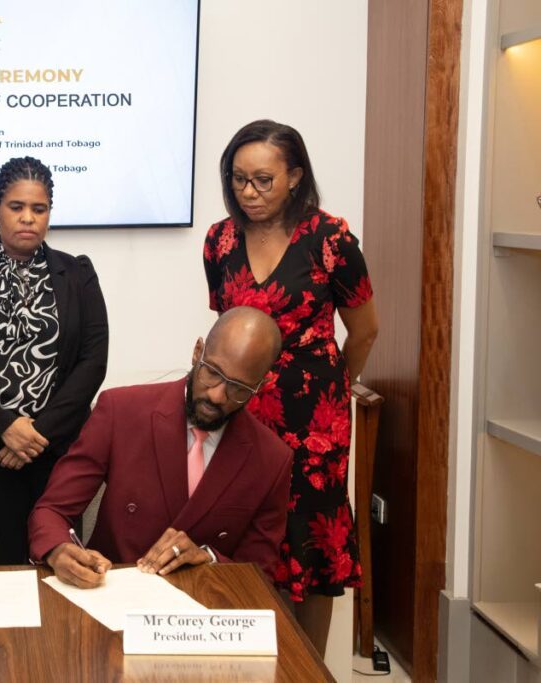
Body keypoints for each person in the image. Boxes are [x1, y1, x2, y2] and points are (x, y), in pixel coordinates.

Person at [203, 119, 378, 656]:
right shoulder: (220, 239)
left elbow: (366, 329)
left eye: (263, 180)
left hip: (316, 419)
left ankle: (311, 665)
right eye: (238, 180)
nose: (248, 193)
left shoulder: (331, 239)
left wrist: (332, 390)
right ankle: (247, 655)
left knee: (312, 541)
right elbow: (228, 327)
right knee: (247, 529)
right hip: (243, 407)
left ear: (296, 177)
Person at [28, 307, 293, 589]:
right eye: (212, 372)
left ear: (261, 385)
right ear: (197, 351)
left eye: (238, 388)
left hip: (204, 611)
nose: (217, 395)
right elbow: (51, 510)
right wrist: (58, 550)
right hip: (113, 596)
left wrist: (209, 558)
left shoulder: (272, 459)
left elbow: (258, 575)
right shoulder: (121, 411)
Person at [0, 156, 109, 564]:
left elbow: (92, 362)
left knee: (57, 561)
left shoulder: (78, 274)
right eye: (16, 207)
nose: (27, 218)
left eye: (39, 208)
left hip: (55, 449)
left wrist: (35, 434)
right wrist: (3, 428)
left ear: (49, 213)